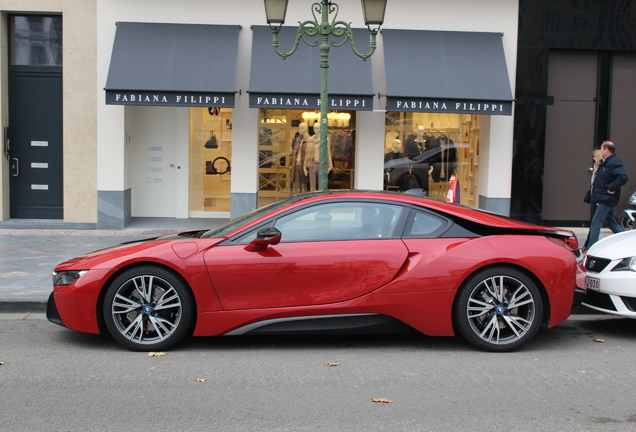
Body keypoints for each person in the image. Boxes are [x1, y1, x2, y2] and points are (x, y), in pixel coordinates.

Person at [585, 141, 629, 251]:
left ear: (607, 150)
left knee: (596, 224)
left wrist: (611, 188)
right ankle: (629, 242)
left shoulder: (614, 162)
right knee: (612, 223)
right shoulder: (607, 163)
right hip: (603, 198)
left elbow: (623, 177)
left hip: (606, 199)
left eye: (602, 148)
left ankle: (591, 249)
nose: (601, 151)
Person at [304, 121, 332, 191]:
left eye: (318, 128)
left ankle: (320, 199)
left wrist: (330, 165)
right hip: (312, 164)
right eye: (315, 128)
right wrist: (304, 166)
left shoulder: (325, 140)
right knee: (312, 187)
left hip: (321, 164)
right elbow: (307, 154)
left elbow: (328, 152)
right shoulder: (310, 140)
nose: (316, 130)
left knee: (321, 186)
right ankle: (313, 199)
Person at [290, 122, 309, 193]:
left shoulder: (309, 139)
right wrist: (292, 163)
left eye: (302, 127)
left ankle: (304, 199)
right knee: (296, 184)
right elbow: (294, 152)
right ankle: (297, 199)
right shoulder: (298, 139)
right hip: (296, 164)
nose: (300, 129)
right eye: (299, 128)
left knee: (304, 184)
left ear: (306, 128)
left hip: (304, 164)